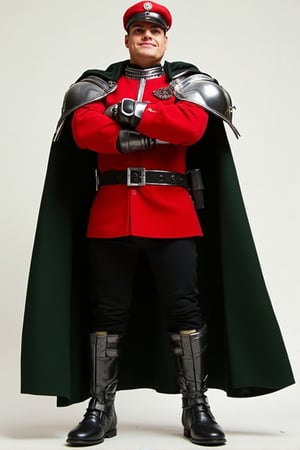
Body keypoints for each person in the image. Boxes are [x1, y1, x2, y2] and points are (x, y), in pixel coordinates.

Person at [21, 1, 295, 448]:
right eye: (139, 30)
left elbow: (191, 127)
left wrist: (127, 115)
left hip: (172, 214)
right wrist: (153, 127)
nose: (147, 36)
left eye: (154, 30)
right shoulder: (97, 85)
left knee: (185, 310)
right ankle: (101, 408)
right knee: (107, 314)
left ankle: (196, 406)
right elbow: (85, 132)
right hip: (110, 216)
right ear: (126, 39)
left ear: (166, 40)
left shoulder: (187, 83)